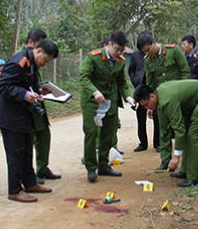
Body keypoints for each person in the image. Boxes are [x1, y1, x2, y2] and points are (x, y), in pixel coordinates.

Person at [0, 40, 59, 202]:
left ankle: (29, 183)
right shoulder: (18, 62)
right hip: (9, 115)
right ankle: (14, 190)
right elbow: (3, 86)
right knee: (15, 153)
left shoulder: (33, 63)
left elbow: (27, 84)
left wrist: (39, 90)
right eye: (46, 60)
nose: (46, 64)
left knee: (27, 150)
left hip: (22, 113)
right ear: (39, 51)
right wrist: (26, 95)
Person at [133, 80, 198, 187]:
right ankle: (185, 171)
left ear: (152, 96)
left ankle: (194, 178)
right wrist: (151, 107)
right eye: (145, 107)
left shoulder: (167, 101)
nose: (148, 108)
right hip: (194, 103)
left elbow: (179, 130)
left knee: (193, 136)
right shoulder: (160, 93)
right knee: (188, 134)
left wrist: (176, 157)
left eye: (147, 105)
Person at [78, 30, 134, 183]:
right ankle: (91, 167)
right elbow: (83, 77)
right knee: (91, 133)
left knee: (108, 135)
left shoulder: (121, 61)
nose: (119, 53)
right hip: (92, 103)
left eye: (122, 50)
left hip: (110, 102)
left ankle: (103, 165)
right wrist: (95, 92)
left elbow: (122, 82)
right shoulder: (93, 57)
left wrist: (128, 96)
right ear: (109, 44)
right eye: (117, 49)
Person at [138, 31, 189, 171]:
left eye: (148, 49)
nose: (148, 53)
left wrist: (183, 92)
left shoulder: (174, 51)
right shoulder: (148, 60)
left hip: (179, 97)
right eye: (145, 52)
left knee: (182, 128)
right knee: (163, 130)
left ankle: (185, 161)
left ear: (154, 43)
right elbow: (148, 83)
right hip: (162, 99)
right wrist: (149, 105)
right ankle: (165, 160)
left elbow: (185, 71)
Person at [18, 30, 62, 183]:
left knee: (44, 136)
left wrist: (40, 90)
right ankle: (29, 175)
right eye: (41, 43)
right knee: (28, 142)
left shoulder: (36, 60)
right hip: (25, 108)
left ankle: (43, 168)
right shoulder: (21, 58)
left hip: (37, 104)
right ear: (31, 42)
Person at [127, 48, 159, 152]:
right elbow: (131, 70)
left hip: (151, 90)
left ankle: (157, 143)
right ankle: (143, 143)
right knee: (140, 119)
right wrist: (135, 81)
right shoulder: (135, 55)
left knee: (156, 117)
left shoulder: (155, 54)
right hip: (140, 90)